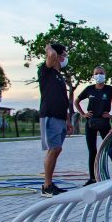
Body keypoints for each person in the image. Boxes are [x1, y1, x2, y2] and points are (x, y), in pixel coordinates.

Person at [75, 66, 112, 185]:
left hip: (104, 122)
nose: (99, 75)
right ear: (93, 75)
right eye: (96, 73)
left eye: (101, 73)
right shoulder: (89, 89)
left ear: (105, 75)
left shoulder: (110, 89)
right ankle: (92, 178)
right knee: (92, 150)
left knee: (110, 149)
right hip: (91, 122)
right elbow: (76, 101)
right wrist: (83, 114)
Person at [38, 43, 73, 197]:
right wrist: (49, 46)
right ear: (57, 56)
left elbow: (63, 100)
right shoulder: (46, 71)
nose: (66, 58)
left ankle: (49, 183)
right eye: (64, 54)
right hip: (50, 115)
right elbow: (51, 56)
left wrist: (68, 120)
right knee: (55, 149)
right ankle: (47, 186)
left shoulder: (59, 76)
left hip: (60, 117)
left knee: (56, 150)